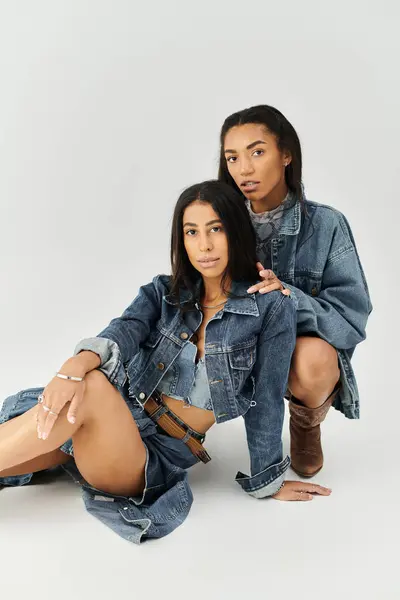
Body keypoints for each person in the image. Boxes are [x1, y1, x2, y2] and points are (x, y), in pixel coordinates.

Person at [0, 180, 331, 544]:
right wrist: (73, 367)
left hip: (151, 455)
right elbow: (123, 331)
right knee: (79, 389)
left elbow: (266, 400)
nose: (204, 245)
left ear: (235, 231)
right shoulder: (163, 292)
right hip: (101, 428)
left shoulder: (270, 307)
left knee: (91, 386)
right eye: (192, 232)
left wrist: (267, 481)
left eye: (216, 229)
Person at [218, 105, 372, 477]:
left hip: (299, 355)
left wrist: (287, 297)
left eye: (257, 152)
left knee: (314, 362)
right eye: (233, 158)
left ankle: (304, 423)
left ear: (286, 154)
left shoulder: (325, 224)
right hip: (235, 346)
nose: (245, 169)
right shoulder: (217, 224)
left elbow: (351, 318)